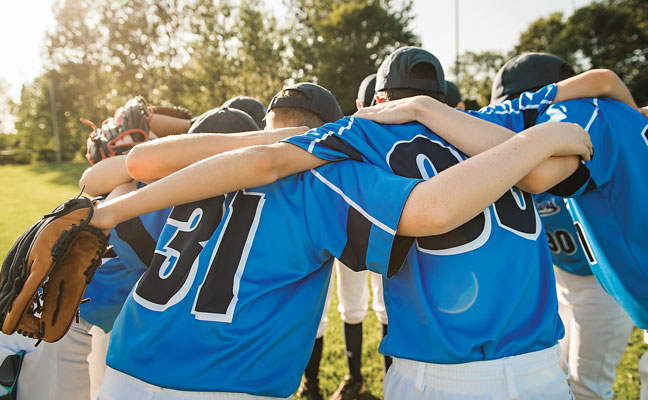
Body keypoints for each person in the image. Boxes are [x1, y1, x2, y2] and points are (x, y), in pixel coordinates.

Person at [84, 78, 592, 399]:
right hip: (231, 380)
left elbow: (126, 167)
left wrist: (112, 209)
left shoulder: (196, 174)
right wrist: (543, 136)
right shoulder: (329, 178)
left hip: (126, 370)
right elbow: (438, 207)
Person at [354, 50, 647, 399]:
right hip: (588, 288)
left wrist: (425, 109)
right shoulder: (604, 115)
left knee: (590, 384)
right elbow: (607, 81)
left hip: (605, 285)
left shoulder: (577, 113)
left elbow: (534, 174)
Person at [490, 52, 634, 400]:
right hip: (563, 278)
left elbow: (606, 83)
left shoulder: (591, 133)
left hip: (608, 285)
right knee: (560, 377)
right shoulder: (517, 150)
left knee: (588, 387)